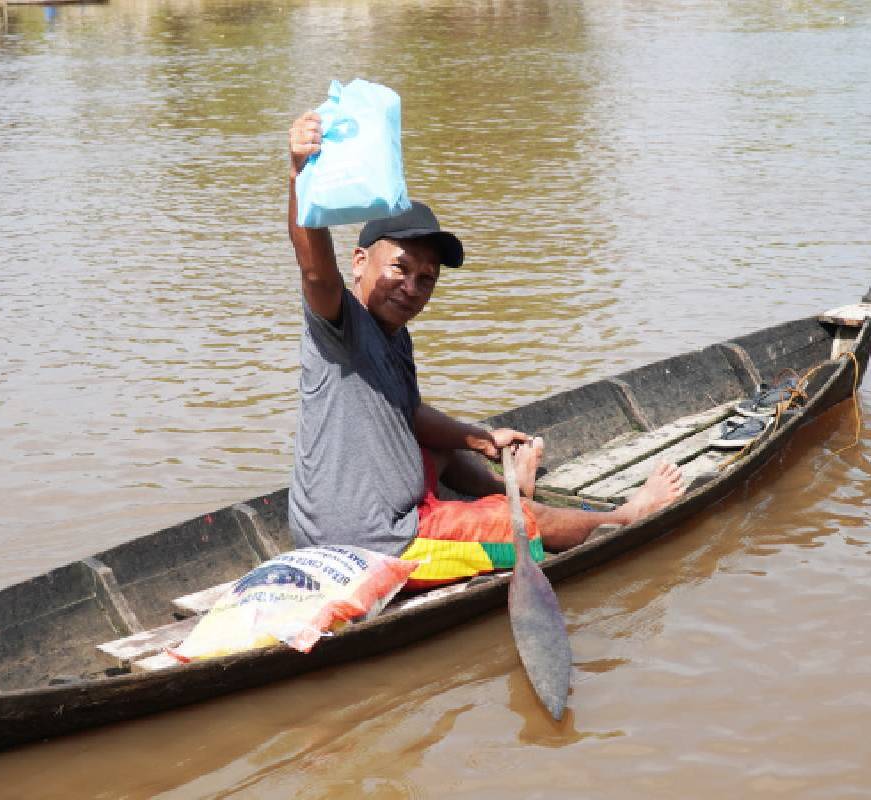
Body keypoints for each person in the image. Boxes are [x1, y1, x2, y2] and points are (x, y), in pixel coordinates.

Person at [285, 111, 684, 588]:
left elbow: (408, 412)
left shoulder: (394, 336)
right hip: (384, 541)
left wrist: (481, 439)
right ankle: (625, 516)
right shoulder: (340, 324)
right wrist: (300, 172)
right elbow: (314, 271)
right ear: (359, 263)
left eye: (425, 278)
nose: (411, 287)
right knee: (525, 523)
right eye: (400, 268)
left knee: (445, 452)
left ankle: (506, 485)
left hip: (356, 517)